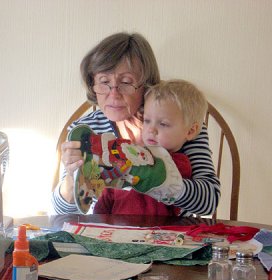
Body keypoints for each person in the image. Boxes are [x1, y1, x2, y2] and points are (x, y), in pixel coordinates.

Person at [51, 32, 220, 216]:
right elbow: (61, 213)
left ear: (146, 84)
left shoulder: (179, 125)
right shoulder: (85, 131)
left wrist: (162, 182)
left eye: (126, 82)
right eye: (104, 82)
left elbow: (209, 201)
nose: (113, 94)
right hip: (104, 235)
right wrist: (71, 178)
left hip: (171, 237)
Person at [93, 79, 207, 215]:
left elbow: (163, 183)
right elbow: (109, 194)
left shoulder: (178, 165)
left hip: (158, 232)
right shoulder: (132, 154)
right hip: (115, 230)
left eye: (163, 124)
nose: (151, 130)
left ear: (190, 131)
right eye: (146, 121)